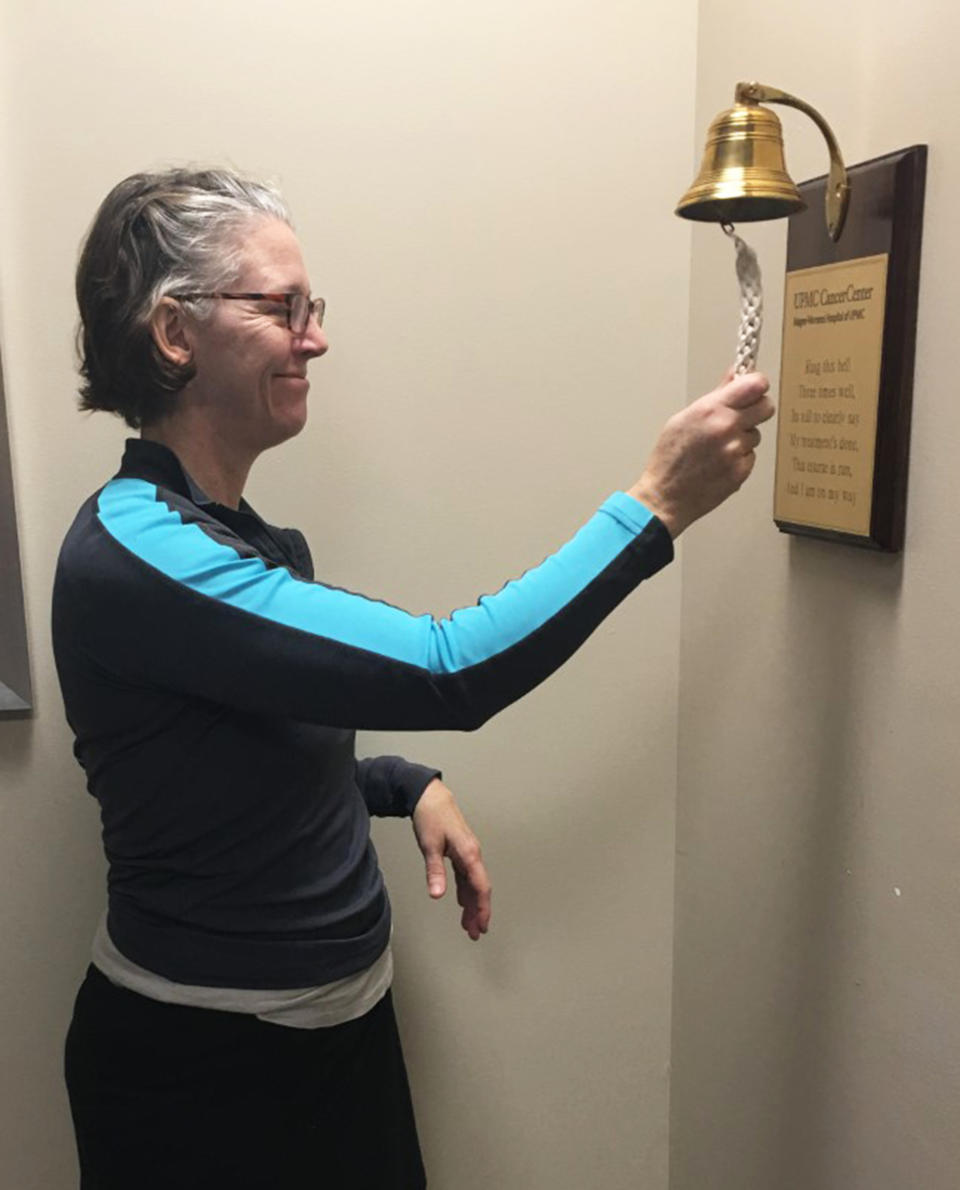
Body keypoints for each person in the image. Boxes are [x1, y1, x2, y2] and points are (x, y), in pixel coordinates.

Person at [54, 167, 773, 1190]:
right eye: (285, 306)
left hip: (332, 1042)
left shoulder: (235, 538)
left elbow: (224, 766)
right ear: (175, 333)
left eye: (316, 308)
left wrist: (398, 782)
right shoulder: (139, 554)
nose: (317, 336)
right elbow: (449, 668)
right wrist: (654, 504)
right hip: (205, 1071)